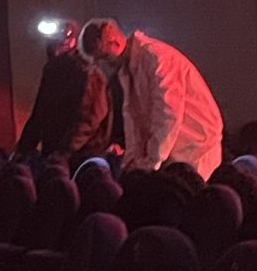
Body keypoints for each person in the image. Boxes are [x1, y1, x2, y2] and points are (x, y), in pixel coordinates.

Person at [82, 17, 224, 176]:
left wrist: (150, 163)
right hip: (179, 152)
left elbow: (167, 114)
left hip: (196, 150)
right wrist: (133, 161)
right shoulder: (128, 69)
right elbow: (136, 122)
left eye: (103, 58)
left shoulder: (156, 58)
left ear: (114, 43)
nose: (103, 66)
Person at [17, 34, 114, 160]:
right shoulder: (53, 70)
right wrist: (22, 151)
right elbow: (39, 114)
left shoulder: (88, 74)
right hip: (61, 153)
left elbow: (89, 119)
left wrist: (63, 153)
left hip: (82, 156)